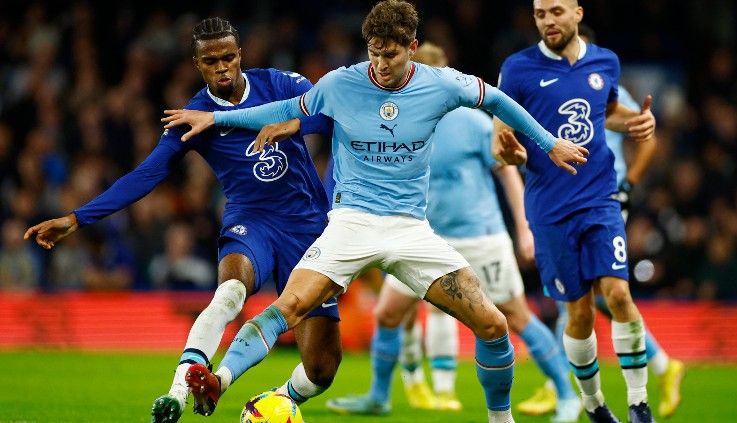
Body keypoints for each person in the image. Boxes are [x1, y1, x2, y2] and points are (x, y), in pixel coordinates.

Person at [161, 2, 589, 422]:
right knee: (287, 307)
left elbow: (498, 101)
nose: (381, 64)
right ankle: (220, 379)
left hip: (410, 231)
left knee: (494, 325)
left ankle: (501, 419)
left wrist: (549, 143)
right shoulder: (341, 83)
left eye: (391, 54)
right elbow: (287, 110)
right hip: (351, 224)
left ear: (412, 47)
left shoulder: (441, 84)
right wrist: (217, 119)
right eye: (374, 52)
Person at [23, 17, 342, 423]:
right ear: (197, 64)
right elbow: (147, 173)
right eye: (211, 61)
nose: (222, 67)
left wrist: (290, 126)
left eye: (229, 57)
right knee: (230, 292)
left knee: (322, 369)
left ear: (240, 55)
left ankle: (271, 401)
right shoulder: (194, 115)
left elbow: (331, 118)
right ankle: (177, 392)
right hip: (252, 223)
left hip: (307, 226)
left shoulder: (280, 84)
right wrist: (77, 218)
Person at [323, 42, 582, 423]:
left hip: (480, 236)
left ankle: (566, 395)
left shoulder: (473, 122)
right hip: (423, 238)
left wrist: (524, 228)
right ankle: (379, 396)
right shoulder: (396, 122)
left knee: (515, 315)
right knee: (389, 313)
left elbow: (507, 171)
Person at [493, 1, 659, 422]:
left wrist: (636, 123)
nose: (548, 21)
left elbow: (605, 112)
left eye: (556, 11)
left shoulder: (606, 62)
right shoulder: (517, 69)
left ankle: (639, 403)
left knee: (619, 294)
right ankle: (593, 403)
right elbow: (501, 141)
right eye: (539, 14)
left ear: (578, 13)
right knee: (579, 311)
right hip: (550, 208)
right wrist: (509, 151)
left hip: (599, 198)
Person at [518, 23, 686, 420]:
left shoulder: (604, 80)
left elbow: (644, 132)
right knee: (582, 303)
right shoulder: (541, 79)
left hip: (601, 197)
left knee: (610, 294)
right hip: (559, 201)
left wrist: (629, 183)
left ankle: (567, 386)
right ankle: (655, 365)